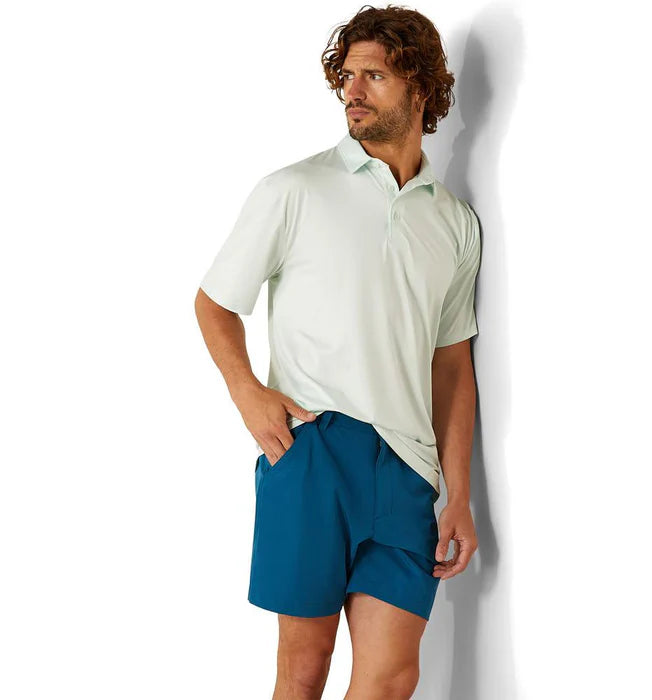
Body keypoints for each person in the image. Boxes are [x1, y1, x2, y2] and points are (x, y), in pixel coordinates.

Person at [194, 5, 482, 698]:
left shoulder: (453, 222)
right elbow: (215, 302)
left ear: (421, 88)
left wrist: (459, 492)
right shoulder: (294, 189)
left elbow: (451, 365)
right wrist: (247, 392)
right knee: (304, 668)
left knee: (391, 679)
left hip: (408, 468)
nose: (352, 90)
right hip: (313, 447)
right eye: (347, 76)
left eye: (373, 76)